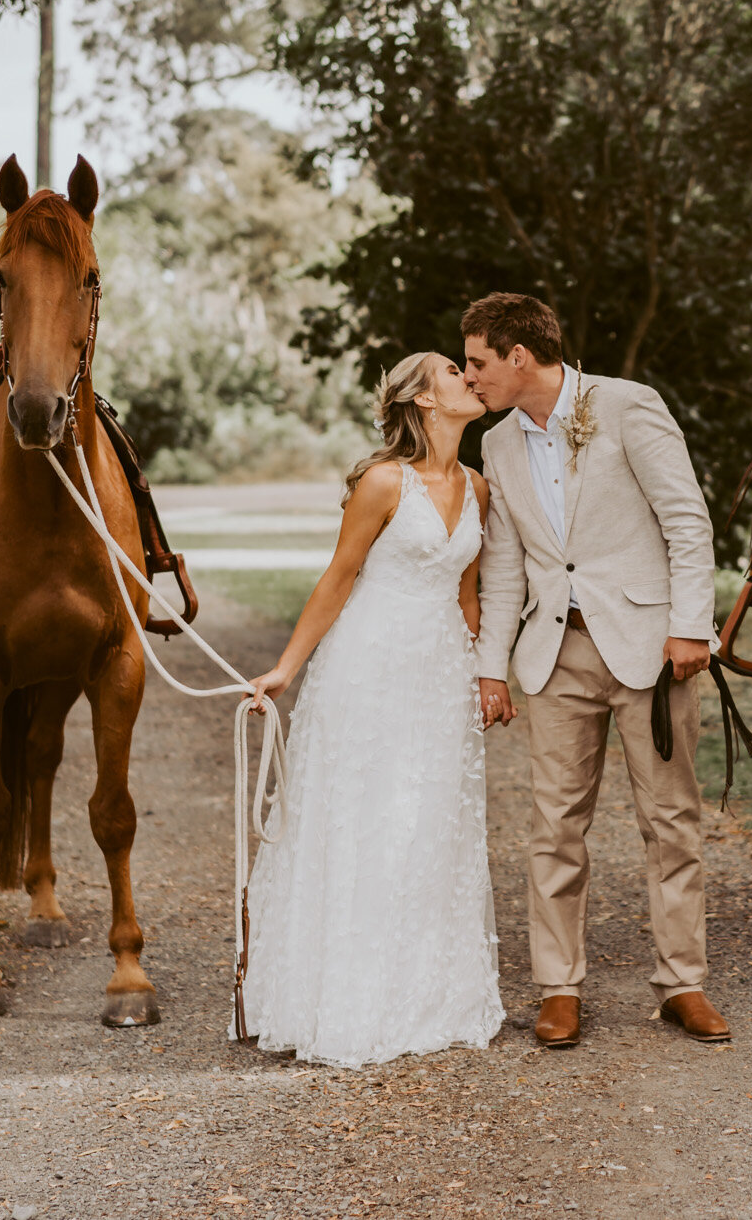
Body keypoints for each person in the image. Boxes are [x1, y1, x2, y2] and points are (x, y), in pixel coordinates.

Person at [462, 293, 729, 1049]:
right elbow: (507, 566)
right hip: (553, 653)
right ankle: (559, 985)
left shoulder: (628, 406)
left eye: (479, 361)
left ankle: (683, 980)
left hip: (651, 648)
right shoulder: (500, 445)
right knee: (555, 825)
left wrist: (688, 627)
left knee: (670, 818)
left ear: (520, 357)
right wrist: (491, 668)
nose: (471, 376)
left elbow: (687, 520)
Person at [242, 352, 505, 1067]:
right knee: (367, 820)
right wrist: (285, 670)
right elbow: (339, 577)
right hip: (369, 667)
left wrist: (486, 674)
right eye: (455, 371)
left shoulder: (477, 485)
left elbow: (468, 594)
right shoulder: (383, 482)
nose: (469, 378)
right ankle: (349, 1000)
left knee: (430, 824)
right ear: (424, 397)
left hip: (441, 673)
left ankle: (425, 995)